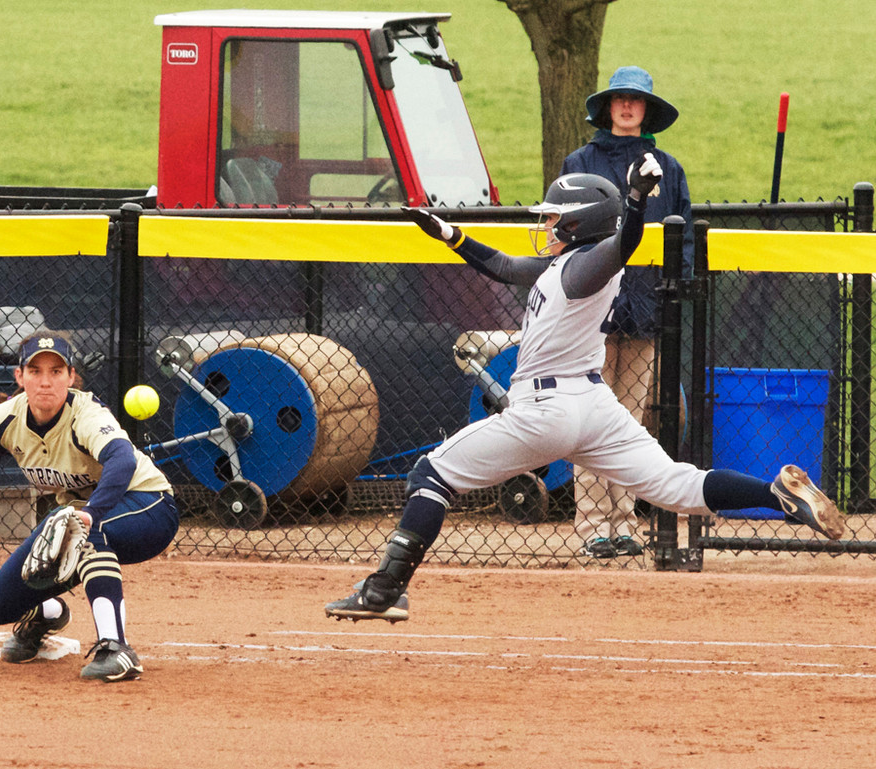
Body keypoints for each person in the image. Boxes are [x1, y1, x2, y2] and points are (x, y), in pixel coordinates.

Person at [324, 162, 847, 623]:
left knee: (430, 475)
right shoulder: (562, 267)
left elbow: (624, 245)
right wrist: (450, 235)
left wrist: (638, 201)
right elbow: (505, 267)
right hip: (592, 406)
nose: (545, 225)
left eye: (554, 218)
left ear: (578, 223)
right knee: (675, 485)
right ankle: (773, 494)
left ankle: (383, 590)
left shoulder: (586, 265)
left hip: (545, 409)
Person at [0, 331, 179, 682]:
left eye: (56, 372)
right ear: (19, 376)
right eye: (35, 371)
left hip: (149, 507)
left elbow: (121, 460)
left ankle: (116, 648)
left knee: (85, 528)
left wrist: (92, 511)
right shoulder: (6, 419)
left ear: (71, 376)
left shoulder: (84, 413)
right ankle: (47, 612)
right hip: (77, 518)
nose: (46, 381)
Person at [560, 65, 694, 559]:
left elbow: (682, 235)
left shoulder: (667, 166)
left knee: (629, 420)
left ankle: (625, 523)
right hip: (590, 309)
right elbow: (563, 231)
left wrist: (671, 289)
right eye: (619, 98)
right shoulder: (582, 160)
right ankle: (593, 523)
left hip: (643, 306)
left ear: (647, 110)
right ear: (608, 106)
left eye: (636, 100)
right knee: (584, 416)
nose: (627, 106)